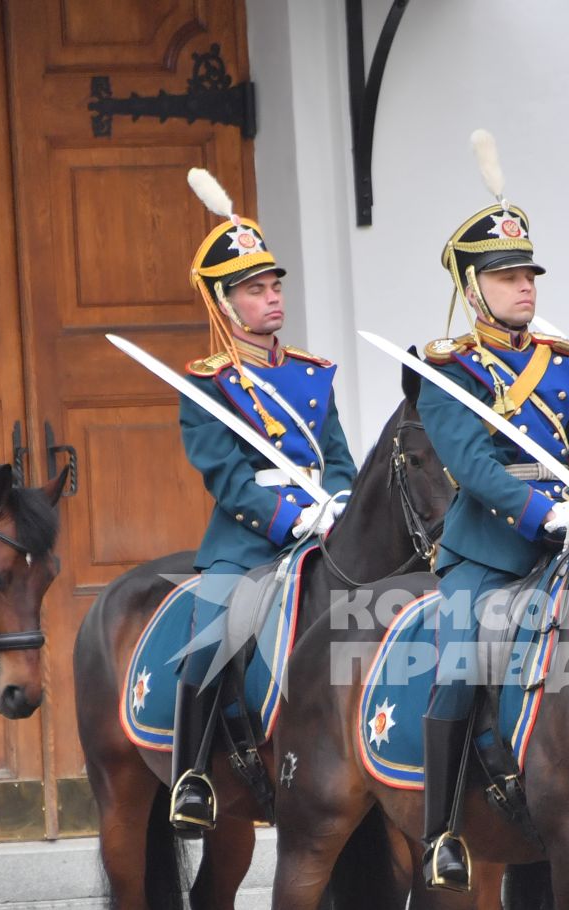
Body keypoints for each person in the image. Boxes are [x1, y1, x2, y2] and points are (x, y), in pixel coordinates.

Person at [416, 132, 569, 892]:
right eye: (506, 276)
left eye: (528, 273)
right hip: (488, 553)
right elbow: (471, 468)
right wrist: (549, 513)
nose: (524, 286)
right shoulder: (448, 369)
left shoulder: (565, 360)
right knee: (463, 663)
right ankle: (441, 827)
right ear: (472, 289)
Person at [169, 168, 356, 831]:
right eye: (255, 289)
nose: (272, 297)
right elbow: (224, 477)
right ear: (225, 303)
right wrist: (289, 518)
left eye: (274, 285)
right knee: (211, 630)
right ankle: (191, 776)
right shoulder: (209, 384)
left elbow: (337, 454)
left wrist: (337, 503)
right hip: (249, 540)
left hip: (324, 530)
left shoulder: (312, 373)